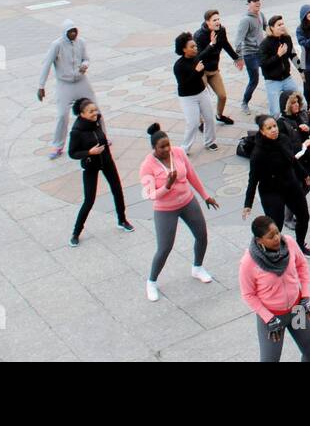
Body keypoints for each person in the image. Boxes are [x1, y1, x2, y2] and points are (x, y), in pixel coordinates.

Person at [140, 123, 218, 302]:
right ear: (154, 148)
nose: (167, 149)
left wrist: (205, 196)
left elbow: (191, 175)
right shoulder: (147, 165)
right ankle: (151, 281)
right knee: (165, 247)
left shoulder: (178, 153)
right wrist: (167, 186)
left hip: (187, 201)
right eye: (162, 147)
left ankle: (197, 267)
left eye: (168, 144)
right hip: (165, 209)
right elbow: (150, 195)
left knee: (202, 236)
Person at [239, 215, 310, 362]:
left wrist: (305, 295)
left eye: (277, 232)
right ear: (259, 240)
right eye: (271, 236)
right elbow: (248, 294)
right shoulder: (248, 262)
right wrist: (269, 319)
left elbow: (302, 265)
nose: (277, 238)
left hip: (297, 310)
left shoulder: (289, 243)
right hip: (272, 318)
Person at [243, 113, 310, 256]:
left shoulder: (283, 139)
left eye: (274, 126)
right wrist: (248, 203)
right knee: (276, 226)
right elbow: (253, 179)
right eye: (269, 128)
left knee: (304, 216)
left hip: (290, 184)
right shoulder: (258, 153)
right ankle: (270, 251)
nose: (274, 130)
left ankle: (300, 245)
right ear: (262, 132)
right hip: (271, 191)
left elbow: (292, 160)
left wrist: (304, 175)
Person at [67, 98, 132, 246]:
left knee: (117, 189)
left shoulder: (97, 121)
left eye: (95, 110)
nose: (95, 113)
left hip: (106, 161)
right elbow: (72, 153)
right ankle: (76, 232)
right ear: (82, 114)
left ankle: (122, 220)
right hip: (90, 165)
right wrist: (89, 152)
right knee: (89, 200)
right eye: (91, 111)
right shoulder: (76, 131)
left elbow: (102, 137)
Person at [37, 19, 94, 159]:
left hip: (81, 81)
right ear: (65, 33)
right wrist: (41, 86)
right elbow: (47, 64)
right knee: (63, 115)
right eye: (70, 32)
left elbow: (86, 58)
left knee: (95, 108)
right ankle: (57, 145)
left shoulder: (81, 42)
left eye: (75, 31)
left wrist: (85, 65)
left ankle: (100, 136)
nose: (73, 34)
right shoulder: (57, 45)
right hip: (65, 84)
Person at [173, 31, 219, 152]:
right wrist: (197, 71)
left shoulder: (196, 58)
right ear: (184, 49)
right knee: (193, 123)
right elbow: (184, 83)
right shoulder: (178, 66)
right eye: (192, 47)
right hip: (188, 97)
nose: (195, 48)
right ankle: (185, 148)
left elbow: (204, 53)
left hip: (202, 93)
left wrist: (212, 44)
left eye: (195, 46)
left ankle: (210, 142)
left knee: (209, 118)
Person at [194, 10, 238, 125]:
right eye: (214, 20)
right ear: (207, 22)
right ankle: (200, 122)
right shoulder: (199, 35)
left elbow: (225, 44)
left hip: (214, 69)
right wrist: (211, 45)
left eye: (218, 19)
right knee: (203, 99)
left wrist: (236, 58)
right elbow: (199, 57)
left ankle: (219, 115)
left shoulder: (221, 30)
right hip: (202, 71)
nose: (218, 22)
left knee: (222, 95)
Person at [231, 0, 267, 114]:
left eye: (259, 0)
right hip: (250, 54)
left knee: (270, 72)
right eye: (255, 1)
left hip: (262, 51)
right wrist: (239, 58)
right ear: (249, 4)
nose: (258, 3)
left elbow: (266, 27)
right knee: (254, 80)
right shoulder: (245, 20)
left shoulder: (261, 15)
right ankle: (245, 103)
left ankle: (272, 95)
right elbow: (238, 41)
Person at [258, 15, 300, 114]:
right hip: (272, 81)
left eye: (282, 24)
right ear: (272, 28)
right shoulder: (265, 44)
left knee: (302, 102)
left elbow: (292, 55)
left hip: (287, 78)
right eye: (279, 25)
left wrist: (301, 70)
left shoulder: (287, 38)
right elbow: (263, 64)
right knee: (276, 112)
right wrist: (278, 55)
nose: (282, 26)